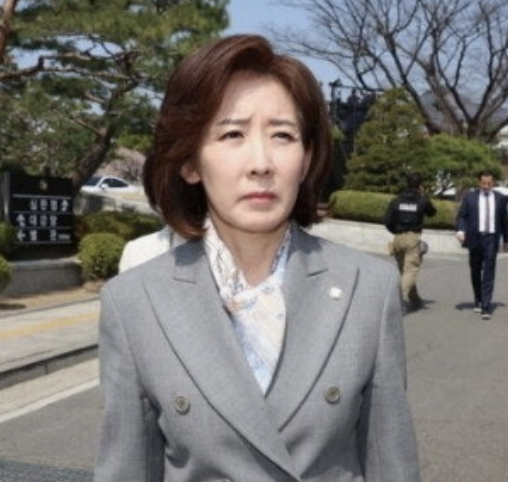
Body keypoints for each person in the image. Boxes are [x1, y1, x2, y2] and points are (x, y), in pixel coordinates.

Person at [94, 34, 420, 482]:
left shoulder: (369, 286)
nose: (261, 163)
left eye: (283, 135)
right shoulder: (134, 301)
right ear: (190, 162)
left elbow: (391, 462)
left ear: (306, 158)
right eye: (232, 134)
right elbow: (126, 468)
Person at [456, 169, 508, 320]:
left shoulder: (500, 199)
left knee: (489, 273)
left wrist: (506, 240)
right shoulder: (470, 197)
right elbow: (462, 216)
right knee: (475, 271)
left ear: (493, 183)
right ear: (479, 183)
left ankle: (486, 306)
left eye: (489, 183)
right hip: (475, 238)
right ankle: (478, 299)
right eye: (484, 183)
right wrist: (461, 230)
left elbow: (504, 221)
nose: (486, 186)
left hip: (491, 239)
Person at [384, 172, 437, 313]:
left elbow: (387, 220)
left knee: (405, 272)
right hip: (412, 239)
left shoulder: (396, 200)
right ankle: (396, 301)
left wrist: (396, 231)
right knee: (410, 271)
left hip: (397, 238)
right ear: (420, 185)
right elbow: (432, 212)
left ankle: (415, 299)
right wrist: (425, 196)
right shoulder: (422, 200)